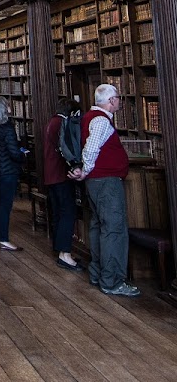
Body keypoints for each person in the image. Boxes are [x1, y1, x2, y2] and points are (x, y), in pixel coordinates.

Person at [70, 84, 140, 296]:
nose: (119, 101)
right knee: (114, 230)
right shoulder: (100, 120)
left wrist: (86, 172)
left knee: (99, 227)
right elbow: (91, 149)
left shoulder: (90, 118)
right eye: (118, 98)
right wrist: (86, 170)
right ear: (111, 101)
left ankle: (97, 273)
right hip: (106, 182)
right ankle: (112, 281)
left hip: (97, 182)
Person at [0, 95, 29, 251]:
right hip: (7, 172)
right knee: (5, 206)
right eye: (7, 105)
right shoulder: (8, 128)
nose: (10, 107)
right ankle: (4, 239)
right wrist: (24, 154)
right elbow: (14, 153)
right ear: (3, 109)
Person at [44, 98, 83, 271]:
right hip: (61, 174)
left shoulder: (52, 121)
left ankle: (59, 248)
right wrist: (75, 165)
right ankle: (64, 253)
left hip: (51, 174)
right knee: (68, 212)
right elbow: (67, 148)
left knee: (59, 213)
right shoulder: (62, 123)